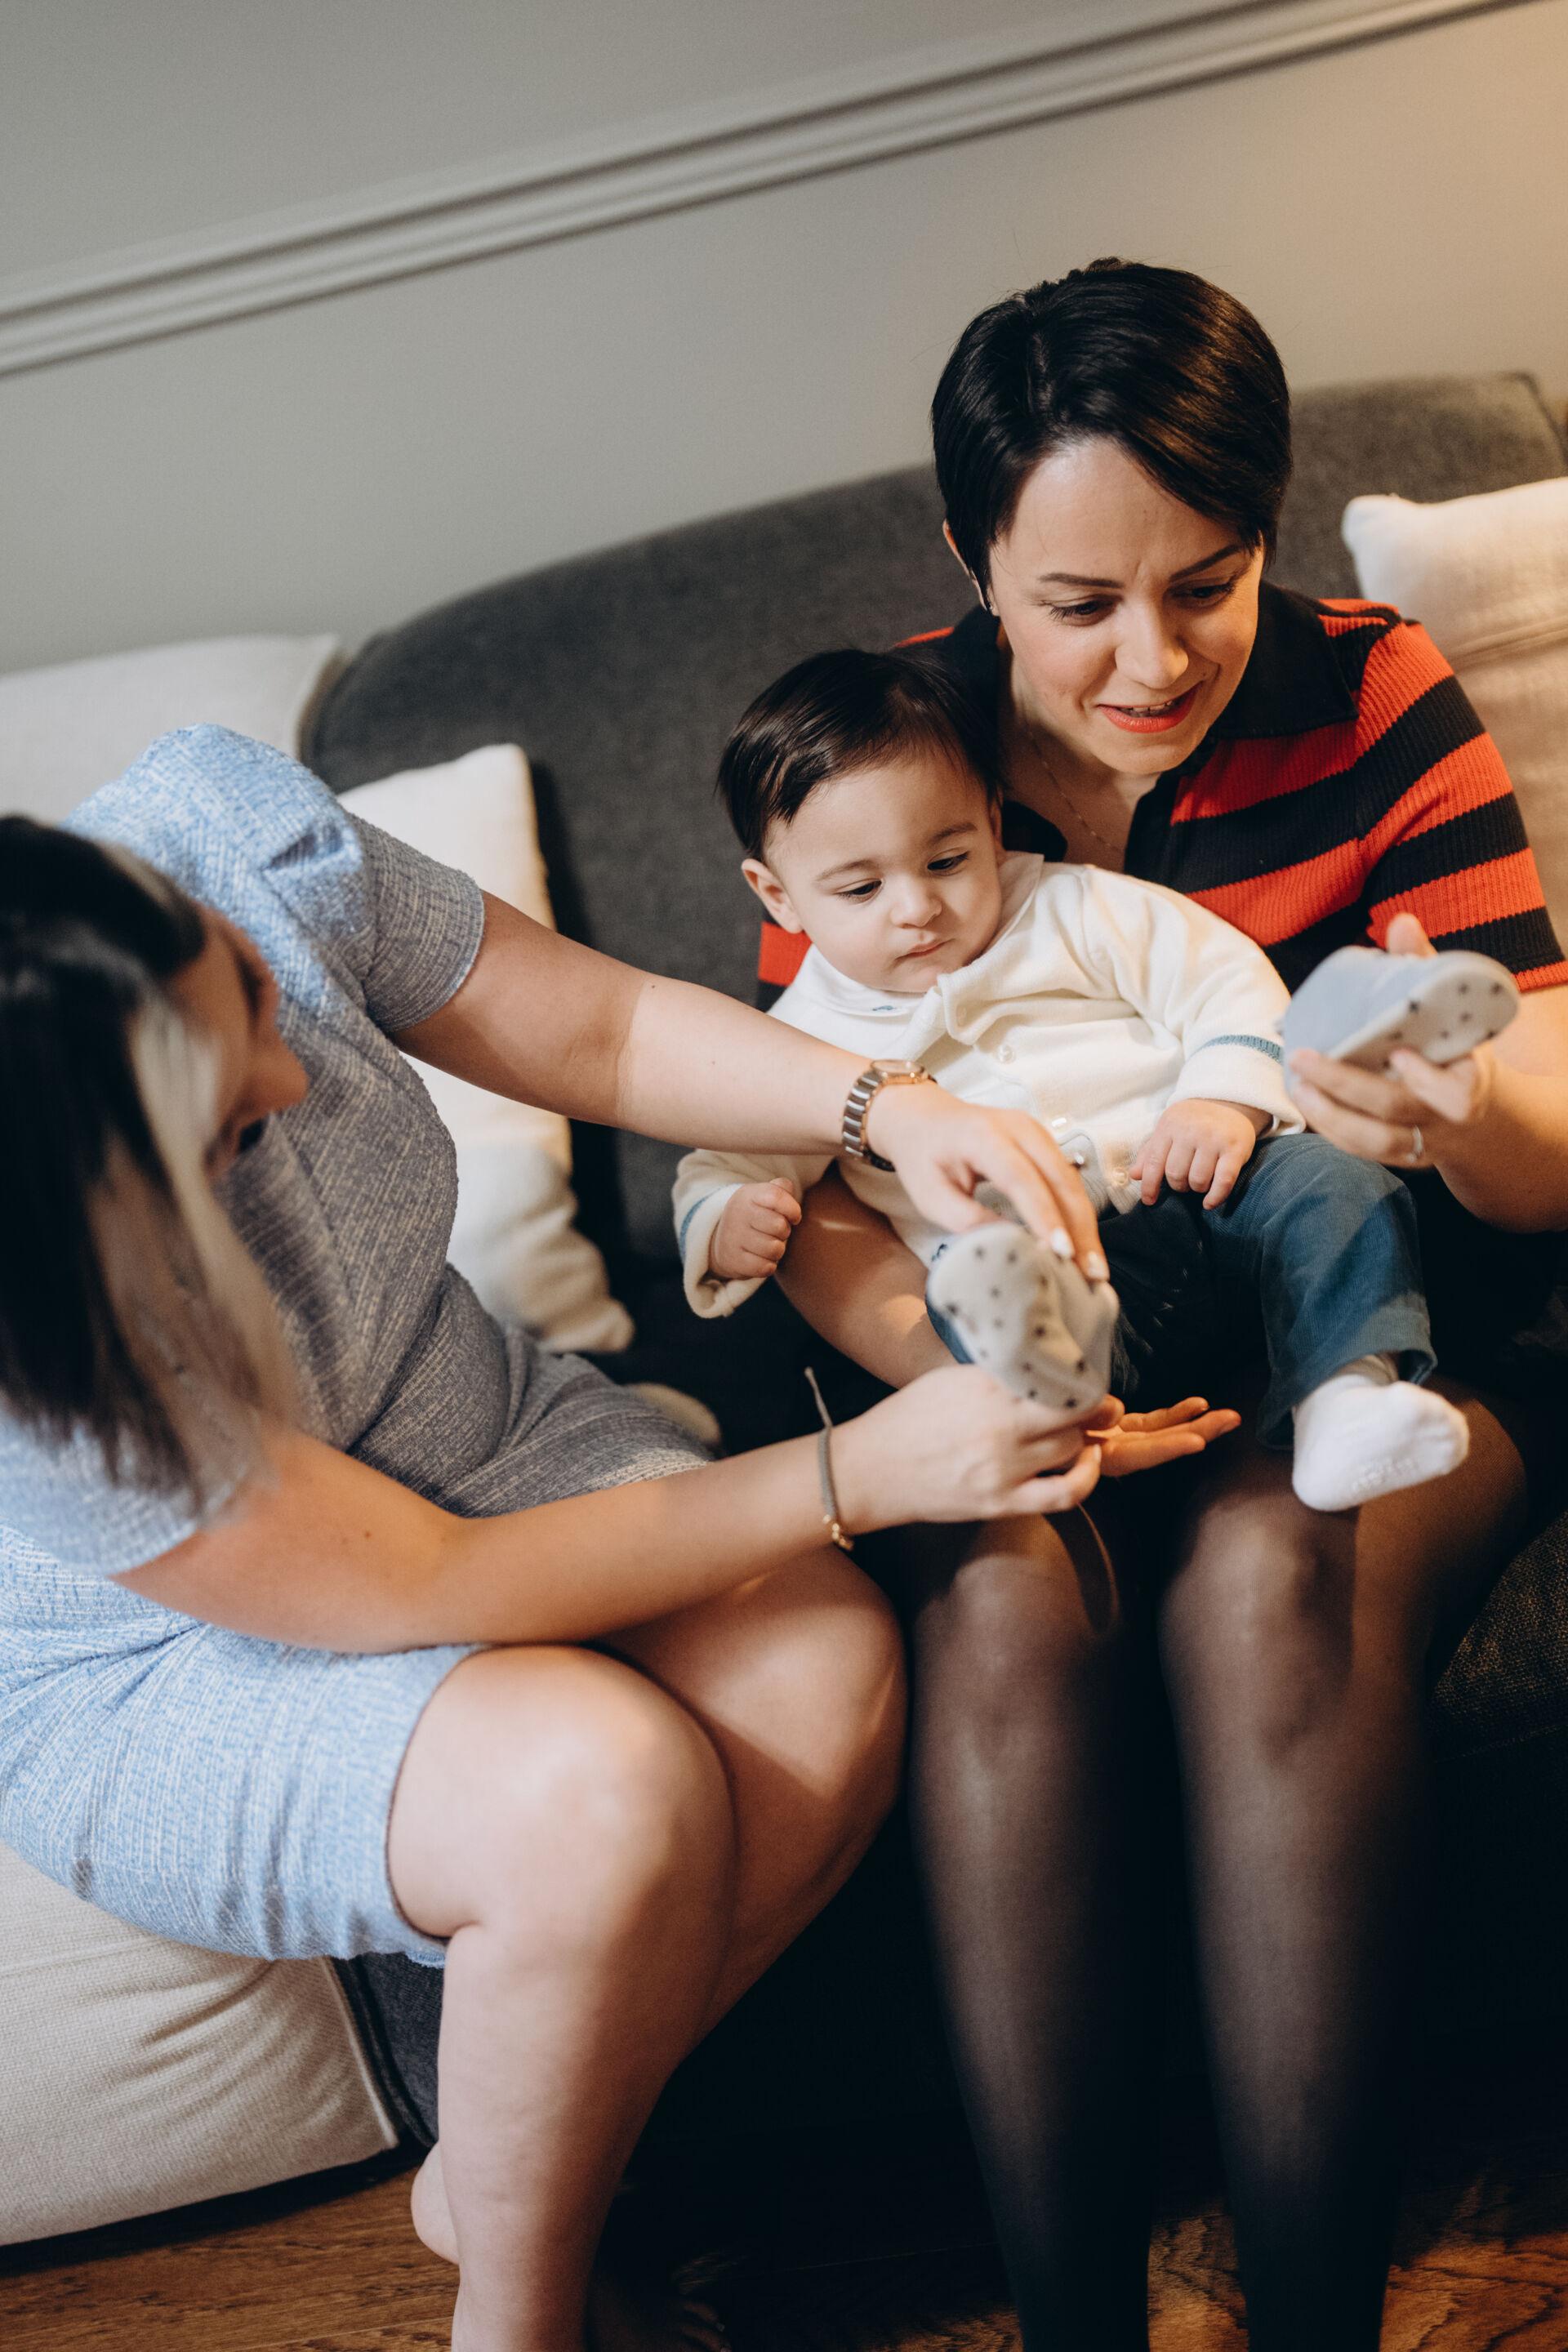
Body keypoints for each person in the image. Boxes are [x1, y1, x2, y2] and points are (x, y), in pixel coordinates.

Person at [0, 728, 1141, 2352]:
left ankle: (488, 2182)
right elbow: (425, 1583)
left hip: (477, 1430)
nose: (293, 1079)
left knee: (819, 1663)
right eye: (226, 1134)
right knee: (600, 1790)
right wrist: (864, 1471)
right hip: (170, 1656)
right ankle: (524, 2311)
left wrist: (883, 1107)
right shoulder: (40, 1349)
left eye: (246, 992)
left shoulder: (222, 828)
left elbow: (604, 1031)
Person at [759, 264, 1568, 2350]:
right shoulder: (882, 752)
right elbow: (814, 1162)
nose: (1152, 659)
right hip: (1036, 1339)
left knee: (1264, 1571)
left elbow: (1548, 1148)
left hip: (1379, 1312)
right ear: (971, 560)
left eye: (1208, 582)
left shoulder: (1371, 691)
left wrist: (1454, 1099)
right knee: (1006, 1601)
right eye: (1077, 603)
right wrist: (995, 1395)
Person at [675, 646, 1476, 1515]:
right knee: (979, 1289)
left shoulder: (1072, 907)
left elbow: (1223, 980)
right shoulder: (798, 1042)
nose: (916, 908)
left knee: (1335, 1178)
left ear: (992, 823)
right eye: (861, 889)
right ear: (778, 896)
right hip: (1059, 1286)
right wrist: (725, 1218)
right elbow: (723, 1155)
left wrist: (1223, 1098)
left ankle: (1346, 1399)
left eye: (946, 861)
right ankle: (1051, 1393)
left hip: (1210, 1195)